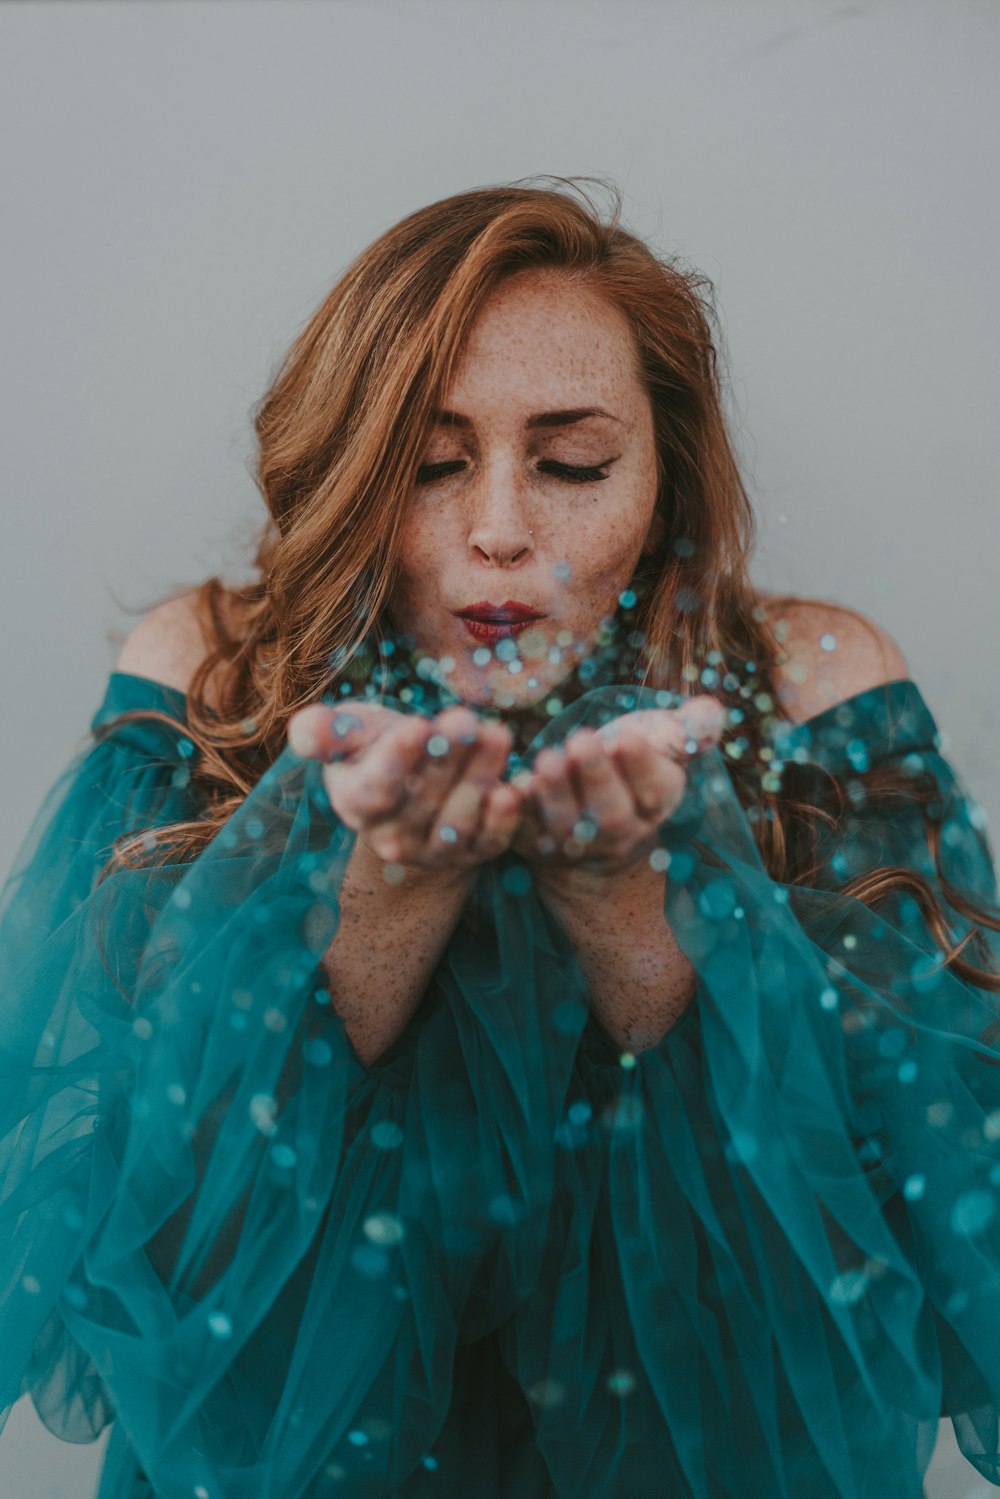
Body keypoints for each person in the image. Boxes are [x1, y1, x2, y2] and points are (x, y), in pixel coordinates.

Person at [1, 178, 998, 1499]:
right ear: (356, 466)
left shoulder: (816, 692)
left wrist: (636, 917)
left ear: (667, 475)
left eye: (575, 463)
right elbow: (140, 1264)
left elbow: (912, 1281)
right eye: (430, 462)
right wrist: (389, 897)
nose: (500, 532)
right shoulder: (214, 679)